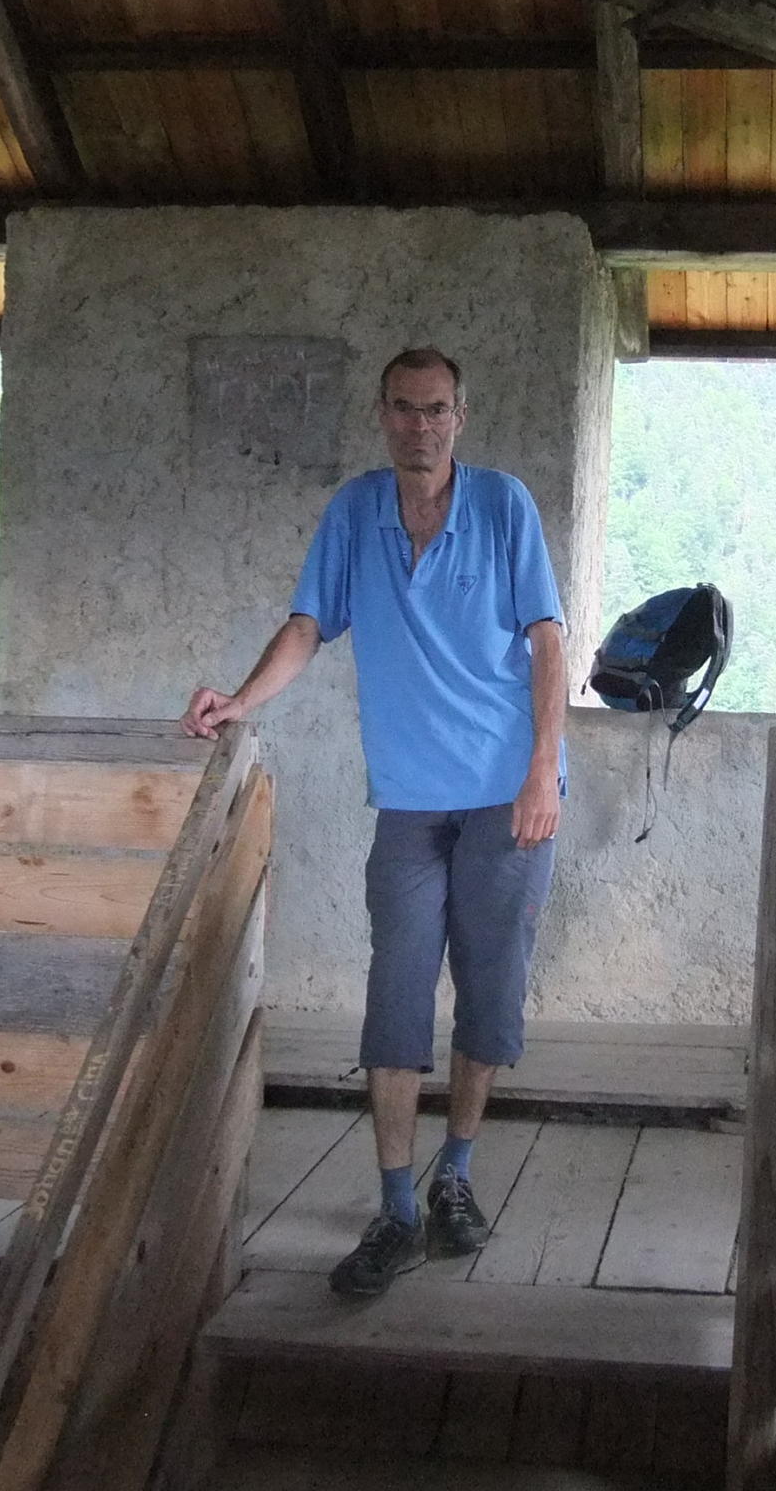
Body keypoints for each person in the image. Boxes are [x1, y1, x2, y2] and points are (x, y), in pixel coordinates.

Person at [182, 346, 565, 1297]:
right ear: (381, 413)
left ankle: (455, 1179)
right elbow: (308, 625)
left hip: (507, 793)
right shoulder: (356, 511)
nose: (418, 426)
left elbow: (550, 641)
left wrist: (542, 773)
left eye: (435, 409)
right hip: (409, 799)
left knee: (489, 991)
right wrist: (239, 701)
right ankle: (397, 1207)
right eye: (402, 408)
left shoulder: (503, 505)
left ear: (460, 417)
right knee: (395, 994)